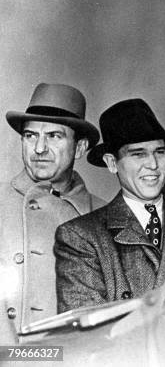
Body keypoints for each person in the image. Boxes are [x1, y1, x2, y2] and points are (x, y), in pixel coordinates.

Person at [54, 98, 165, 312]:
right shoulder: (80, 237)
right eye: (139, 154)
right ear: (112, 163)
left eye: (160, 152)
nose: (153, 165)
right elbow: (86, 331)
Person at [0, 83, 102, 341]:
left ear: (79, 148)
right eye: (30, 135)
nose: (39, 148)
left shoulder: (105, 217)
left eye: (54, 136)